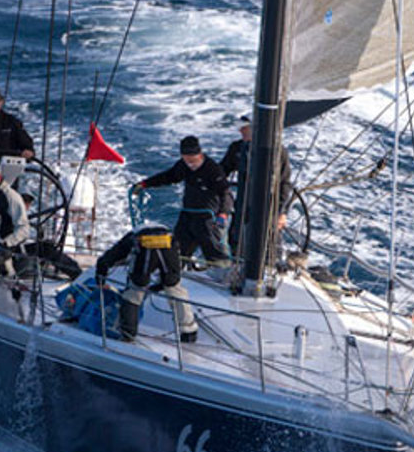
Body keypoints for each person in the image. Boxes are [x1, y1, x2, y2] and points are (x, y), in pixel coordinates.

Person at [134, 136, 233, 266]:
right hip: (188, 213)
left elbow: (225, 194)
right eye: (187, 161)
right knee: (178, 247)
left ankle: (222, 269)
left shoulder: (213, 169)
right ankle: (176, 271)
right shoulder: (183, 166)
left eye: (193, 161)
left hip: (207, 216)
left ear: (200, 154)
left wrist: (223, 213)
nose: (190, 164)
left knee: (212, 248)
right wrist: (145, 184)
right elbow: (169, 176)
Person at [95, 225, 198, 343]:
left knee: (134, 292)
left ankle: (128, 332)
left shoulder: (131, 237)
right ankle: (189, 332)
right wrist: (161, 284)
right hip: (168, 245)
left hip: (145, 249)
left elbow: (108, 258)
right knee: (174, 288)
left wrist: (100, 279)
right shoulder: (166, 231)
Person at [219, 115, 292, 254]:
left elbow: (284, 183)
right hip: (243, 204)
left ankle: (271, 264)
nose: (241, 132)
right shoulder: (237, 148)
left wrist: (282, 212)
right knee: (236, 236)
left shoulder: (278, 152)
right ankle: (237, 263)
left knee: (269, 241)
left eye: (244, 129)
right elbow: (221, 172)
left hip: (267, 205)